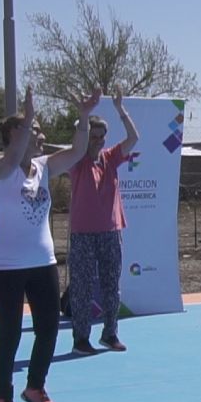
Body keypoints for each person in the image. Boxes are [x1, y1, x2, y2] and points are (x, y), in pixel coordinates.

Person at [0, 86, 101, 402]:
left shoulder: (44, 167)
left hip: (43, 263)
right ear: (13, 133)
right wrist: (27, 117)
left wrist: (82, 115)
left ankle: (35, 387)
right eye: (34, 130)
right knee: (9, 333)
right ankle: (3, 398)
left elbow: (79, 150)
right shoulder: (0, 168)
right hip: (6, 267)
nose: (41, 135)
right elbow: (13, 155)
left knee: (48, 328)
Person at [67, 87, 139, 354]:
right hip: (83, 234)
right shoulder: (76, 160)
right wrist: (83, 117)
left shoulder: (110, 158)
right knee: (82, 287)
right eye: (92, 136)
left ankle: (110, 334)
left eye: (100, 137)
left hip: (111, 231)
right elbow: (79, 139)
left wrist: (121, 110)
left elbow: (134, 137)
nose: (96, 140)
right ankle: (80, 338)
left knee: (112, 286)